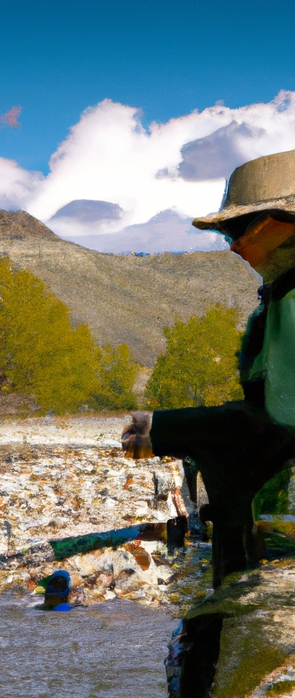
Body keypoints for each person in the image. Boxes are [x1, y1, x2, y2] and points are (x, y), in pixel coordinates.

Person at [123, 148, 295, 586]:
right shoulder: (276, 300)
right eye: (230, 233)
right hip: (269, 436)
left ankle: (228, 588)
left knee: (146, 432)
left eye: (244, 230)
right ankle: (227, 580)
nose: (237, 245)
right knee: (144, 432)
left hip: (273, 435)